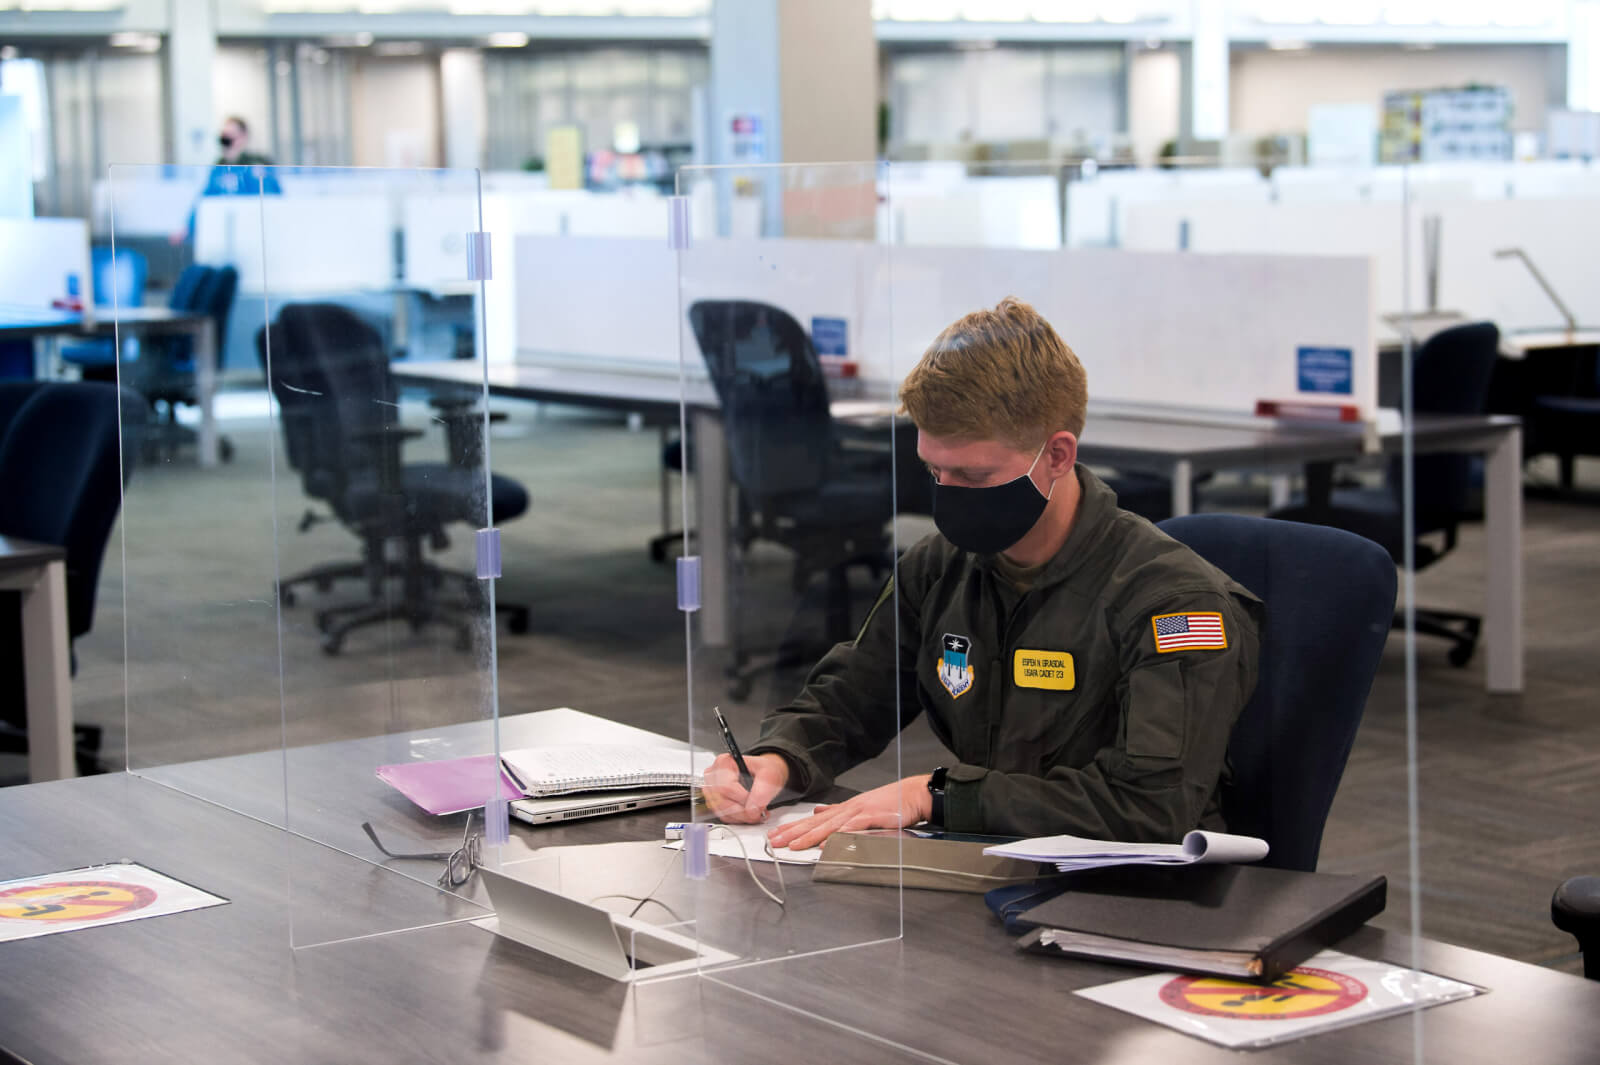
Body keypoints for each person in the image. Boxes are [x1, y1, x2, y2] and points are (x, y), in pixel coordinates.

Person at [701, 297, 1263, 852]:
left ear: (1059, 455)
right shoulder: (941, 567)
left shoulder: (1173, 604)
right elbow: (851, 699)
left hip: (1138, 897)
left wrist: (940, 796)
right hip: (992, 862)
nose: (949, 494)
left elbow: (1151, 809)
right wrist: (777, 760)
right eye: (934, 471)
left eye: (974, 474)